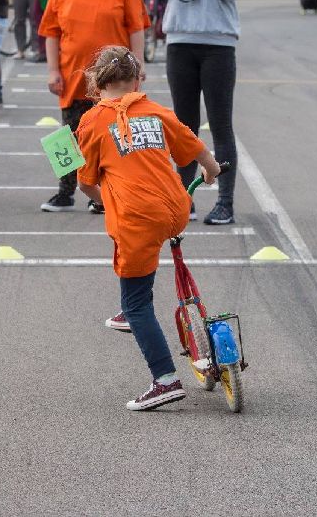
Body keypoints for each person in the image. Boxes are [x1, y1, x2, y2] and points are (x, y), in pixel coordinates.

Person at [76, 45, 221, 410]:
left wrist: (105, 199)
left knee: (137, 299)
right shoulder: (155, 110)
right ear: (136, 79)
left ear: (97, 81)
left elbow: (86, 182)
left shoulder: (92, 122)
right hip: (176, 207)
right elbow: (194, 144)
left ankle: (165, 379)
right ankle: (133, 308)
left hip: (139, 219)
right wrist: (210, 168)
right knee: (148, 245)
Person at [152, 0, 247, 225]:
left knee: (221, 126)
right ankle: (183, 196)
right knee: (184, 126)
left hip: (218, 46)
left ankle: (225, 202)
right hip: (180, 43)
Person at [38, 0, 147, 212]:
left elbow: (136, 27)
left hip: (114, 77)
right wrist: (52, 71)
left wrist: (138, 64)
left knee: (111, 138)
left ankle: (103, 196)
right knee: (68, 134)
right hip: (73, 74)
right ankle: (64, 191)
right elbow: (51, 32)